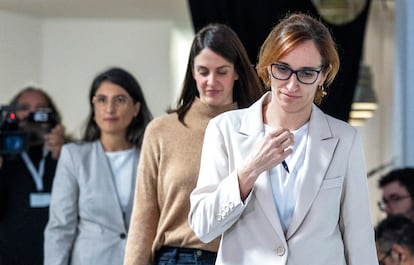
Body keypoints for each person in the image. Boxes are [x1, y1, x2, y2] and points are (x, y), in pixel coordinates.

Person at [188, 13, 378, 265]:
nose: (292, 85)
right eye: (282, 69)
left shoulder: (345, 139)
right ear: (267, 66)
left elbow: (359, 237)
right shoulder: (225, 130)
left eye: (307, 73)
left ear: (323, 74)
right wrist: (249, 169)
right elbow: (203, 227)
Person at [123, 23, 264, 265]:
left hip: (240, 257)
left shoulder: (259, 129)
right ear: (192, 72)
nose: (211, 81)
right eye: (203, 71)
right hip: (177, 256)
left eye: (221, 71)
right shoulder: (162, 131)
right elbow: (144, 217)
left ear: (237, 72)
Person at [44, 67, 153, 265]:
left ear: (136, 108)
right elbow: (60, 227)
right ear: (93, 107)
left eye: (120, 100)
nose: (109, 108)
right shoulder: (74, 156)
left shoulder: (151, 157)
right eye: (101, 100)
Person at [0, 86, 67, 265]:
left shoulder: (68, 153)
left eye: (40, 108)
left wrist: (66, 157)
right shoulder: (4, 154)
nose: (32, 114)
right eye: (24, 108)